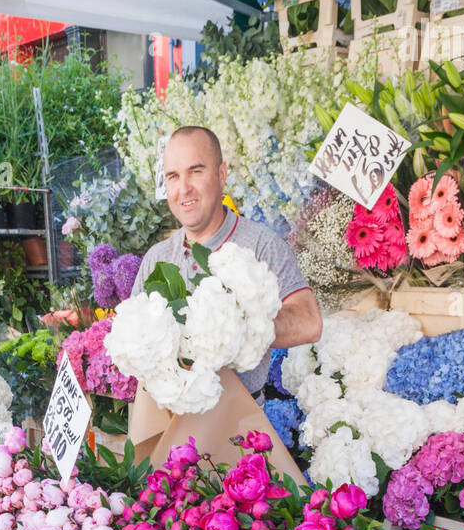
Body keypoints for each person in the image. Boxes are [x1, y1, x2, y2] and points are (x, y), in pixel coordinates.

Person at [130, 125, 322, 401]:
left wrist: (240, 326)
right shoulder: (157, 258)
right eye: (173, 176)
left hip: (240, 429)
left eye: (196, 171)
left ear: (221, 174)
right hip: (169, 426)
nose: (184, 189)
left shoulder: (260, 245)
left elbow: (309, 322)